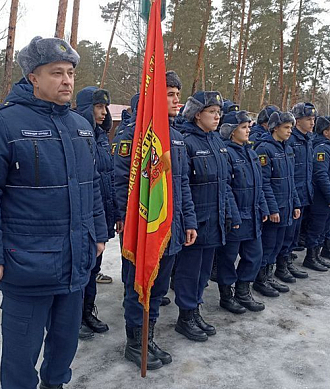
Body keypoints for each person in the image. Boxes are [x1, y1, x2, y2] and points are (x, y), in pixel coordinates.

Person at [0, 36, 108, 389]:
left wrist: (99, 234)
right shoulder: (2, 124)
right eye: (56, 72)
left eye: (70, 72)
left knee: (64, 345)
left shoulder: (80, 125)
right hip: (27, 265)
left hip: (76, 259)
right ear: (33, 77)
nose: (67, 80)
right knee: (21, 354)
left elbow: (93, 186)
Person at [115, 71, 198, 369]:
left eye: (178, 94)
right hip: (144, 229)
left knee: (160, 288)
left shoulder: (176, 138)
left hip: (171, 228)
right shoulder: (132, 136)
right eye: (170, 94)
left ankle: (148, 338)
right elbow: (120, 182)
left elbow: (182, 184)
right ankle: (134, 342)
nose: (178, 100)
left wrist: (189, 221)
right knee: (138, 288)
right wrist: (124, 221)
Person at [174, 90, 241, 342]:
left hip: (215, 220)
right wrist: (189, 221)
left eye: (218, 113)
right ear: (197, 114)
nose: (217, 116)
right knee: (189, 271)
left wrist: (230, 215)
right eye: (212, 112)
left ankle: (195, 309)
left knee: (203, 273)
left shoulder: (216, 141)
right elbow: (183, 188)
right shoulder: (185, 142)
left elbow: (225, 184)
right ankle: (185, 315)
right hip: (196, 221)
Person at [215, 111, 269, 314]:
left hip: (253, 214)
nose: (249, 130)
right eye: (244, 127)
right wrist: (233, 214)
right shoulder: (226, 153)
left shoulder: (251, 152)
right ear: (231, 131)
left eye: (249, 126)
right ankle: (226, 295)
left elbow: (259, 184)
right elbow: (226, 188)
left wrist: (263, 206)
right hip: (237, 217)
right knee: (227, 258)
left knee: (254, 255)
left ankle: (243, 291)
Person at [75, 87, 119, 339]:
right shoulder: (77, 134)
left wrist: (114, 214)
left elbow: (109, 177)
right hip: (82, 216)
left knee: (93, 268)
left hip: (101, 212)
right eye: (99, 107)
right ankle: (75, 316)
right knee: (81, 270)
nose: (104, 112)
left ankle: (87, 311)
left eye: (105, 107)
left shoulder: (102, 136)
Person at [254, 111, 301, 297]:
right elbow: (264, 183)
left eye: (291, 127)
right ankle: (260, 279)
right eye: (286, 127)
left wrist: (296, 203)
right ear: (275, 128)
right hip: (276, 208)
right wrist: (272, 208)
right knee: (268, 244)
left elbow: (291, 181)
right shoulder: (264, 149)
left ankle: (269, 275)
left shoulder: (287, 148)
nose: (290, 131)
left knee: (278, 244)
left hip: (287, 206)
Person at [275, 102, 316, 283]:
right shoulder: (290, 140)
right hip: (291, 194)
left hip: (302, 194)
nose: (312, 123)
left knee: (294, 234)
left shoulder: (308, 139)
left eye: (313, 119)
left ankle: (287, 261)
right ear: (298, 120)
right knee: (286, 234)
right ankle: (281, 266)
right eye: (308, 119)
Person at [304, 116, 330, 271]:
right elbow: (321, 175)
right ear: (325, 132)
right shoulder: (322, 149)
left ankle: (317, 255)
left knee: (325, 228)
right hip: (323, 199)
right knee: (317, 229)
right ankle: (311, 257)